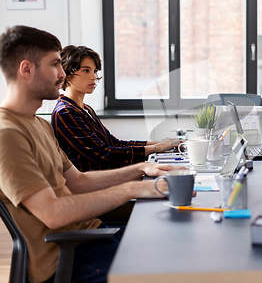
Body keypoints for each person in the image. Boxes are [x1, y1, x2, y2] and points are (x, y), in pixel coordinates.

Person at [0, 25, 184, 283]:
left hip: (90, 236)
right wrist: (133, 189)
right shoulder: (7, 134)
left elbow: (78, 182)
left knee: (177, 242)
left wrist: (142, 170)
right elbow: (52, 214)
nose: (63, 73)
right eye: (55, 64)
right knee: (177, 265)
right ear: (26, 69)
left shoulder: (38, 124)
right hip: (70, 258)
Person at [51, 45, 180, 172]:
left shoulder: (85, 109)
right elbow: (103, 154)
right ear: (67, 75)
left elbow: (114, 143)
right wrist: (155, 148)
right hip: (97, 183)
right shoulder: (65, 112)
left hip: (109, 175)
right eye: (86, 70)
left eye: (95, 71)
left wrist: (160, 144)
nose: (94, 77)